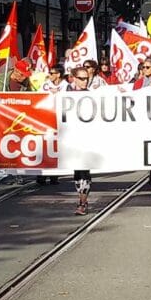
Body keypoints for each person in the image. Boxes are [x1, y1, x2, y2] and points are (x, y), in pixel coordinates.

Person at [67, 66, 94, 215]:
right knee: (77, 172)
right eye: (82, 78)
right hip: (71, 139)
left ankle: (82, 203)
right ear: (74, 79)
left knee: (84, 171)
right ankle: (82, 198)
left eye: (87, 78)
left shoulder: (92, 96)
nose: (85, 81)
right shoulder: (65, 95)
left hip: (87, 139)